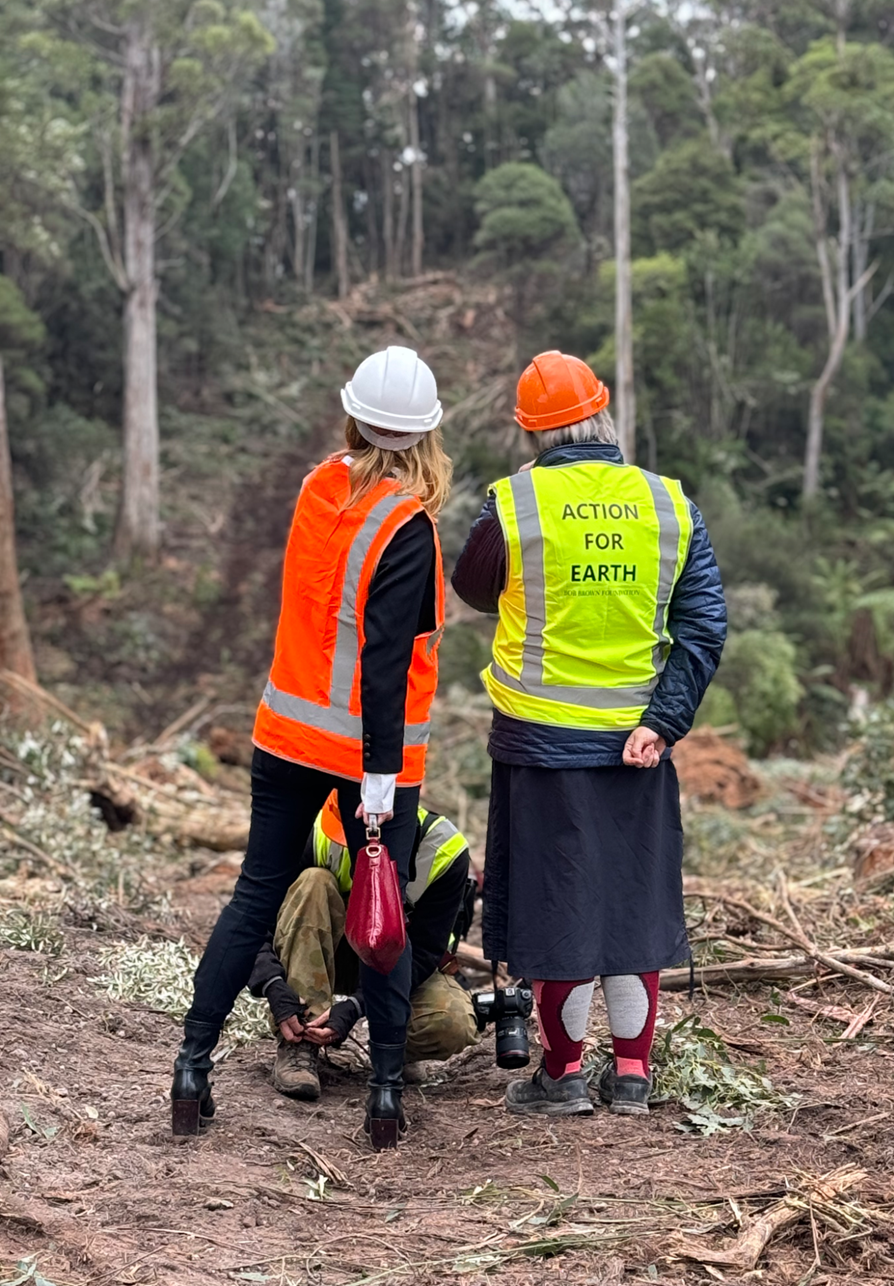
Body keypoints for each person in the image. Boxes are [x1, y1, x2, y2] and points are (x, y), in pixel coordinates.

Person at [171, 346, 452, 1149]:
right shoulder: (409, 525)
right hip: (368, 756)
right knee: (385, 913)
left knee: (254, 895)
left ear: (355, 417)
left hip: (285, 736)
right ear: (427, 433)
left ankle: (192, 1067)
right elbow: (387, 661)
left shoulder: (317, 486)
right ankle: (387, 1095)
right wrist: (378, 777)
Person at [452, 351, 726, 1118]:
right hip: (638, 748)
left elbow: (472, 587)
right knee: (632, 902)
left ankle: (563, 1075)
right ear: (606, 414)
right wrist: (663, 720)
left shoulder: (514, 505)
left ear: (530, 430)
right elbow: (704, 624)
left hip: (541, 744)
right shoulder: (670, 505)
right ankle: (633, 1076)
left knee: (555, 903)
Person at [248, 790, 479, 1101]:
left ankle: (394, 1045)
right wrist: (273, 983)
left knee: (451, 1023)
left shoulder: (444, 851)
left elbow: (425, 952)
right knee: (313, 883)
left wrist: (357, 1006)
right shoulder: (311, 830)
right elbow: (252, 922)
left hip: (401, 962)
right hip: (325, 950)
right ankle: (300, 1042)